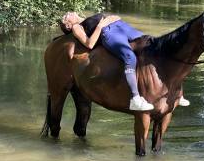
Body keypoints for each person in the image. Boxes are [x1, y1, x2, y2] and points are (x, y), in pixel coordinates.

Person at [61, 12, 190, 110]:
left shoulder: (86, 19)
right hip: (109, 33)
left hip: (121, 26)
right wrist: (101, 25)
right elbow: (89, 44)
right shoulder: (76, 27)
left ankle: (178, 93)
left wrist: (113, 17)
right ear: (68, 25)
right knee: (130, 56)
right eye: (66, 16)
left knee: (153, 44)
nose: (69, 13)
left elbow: (114, 17)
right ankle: (135, 98)